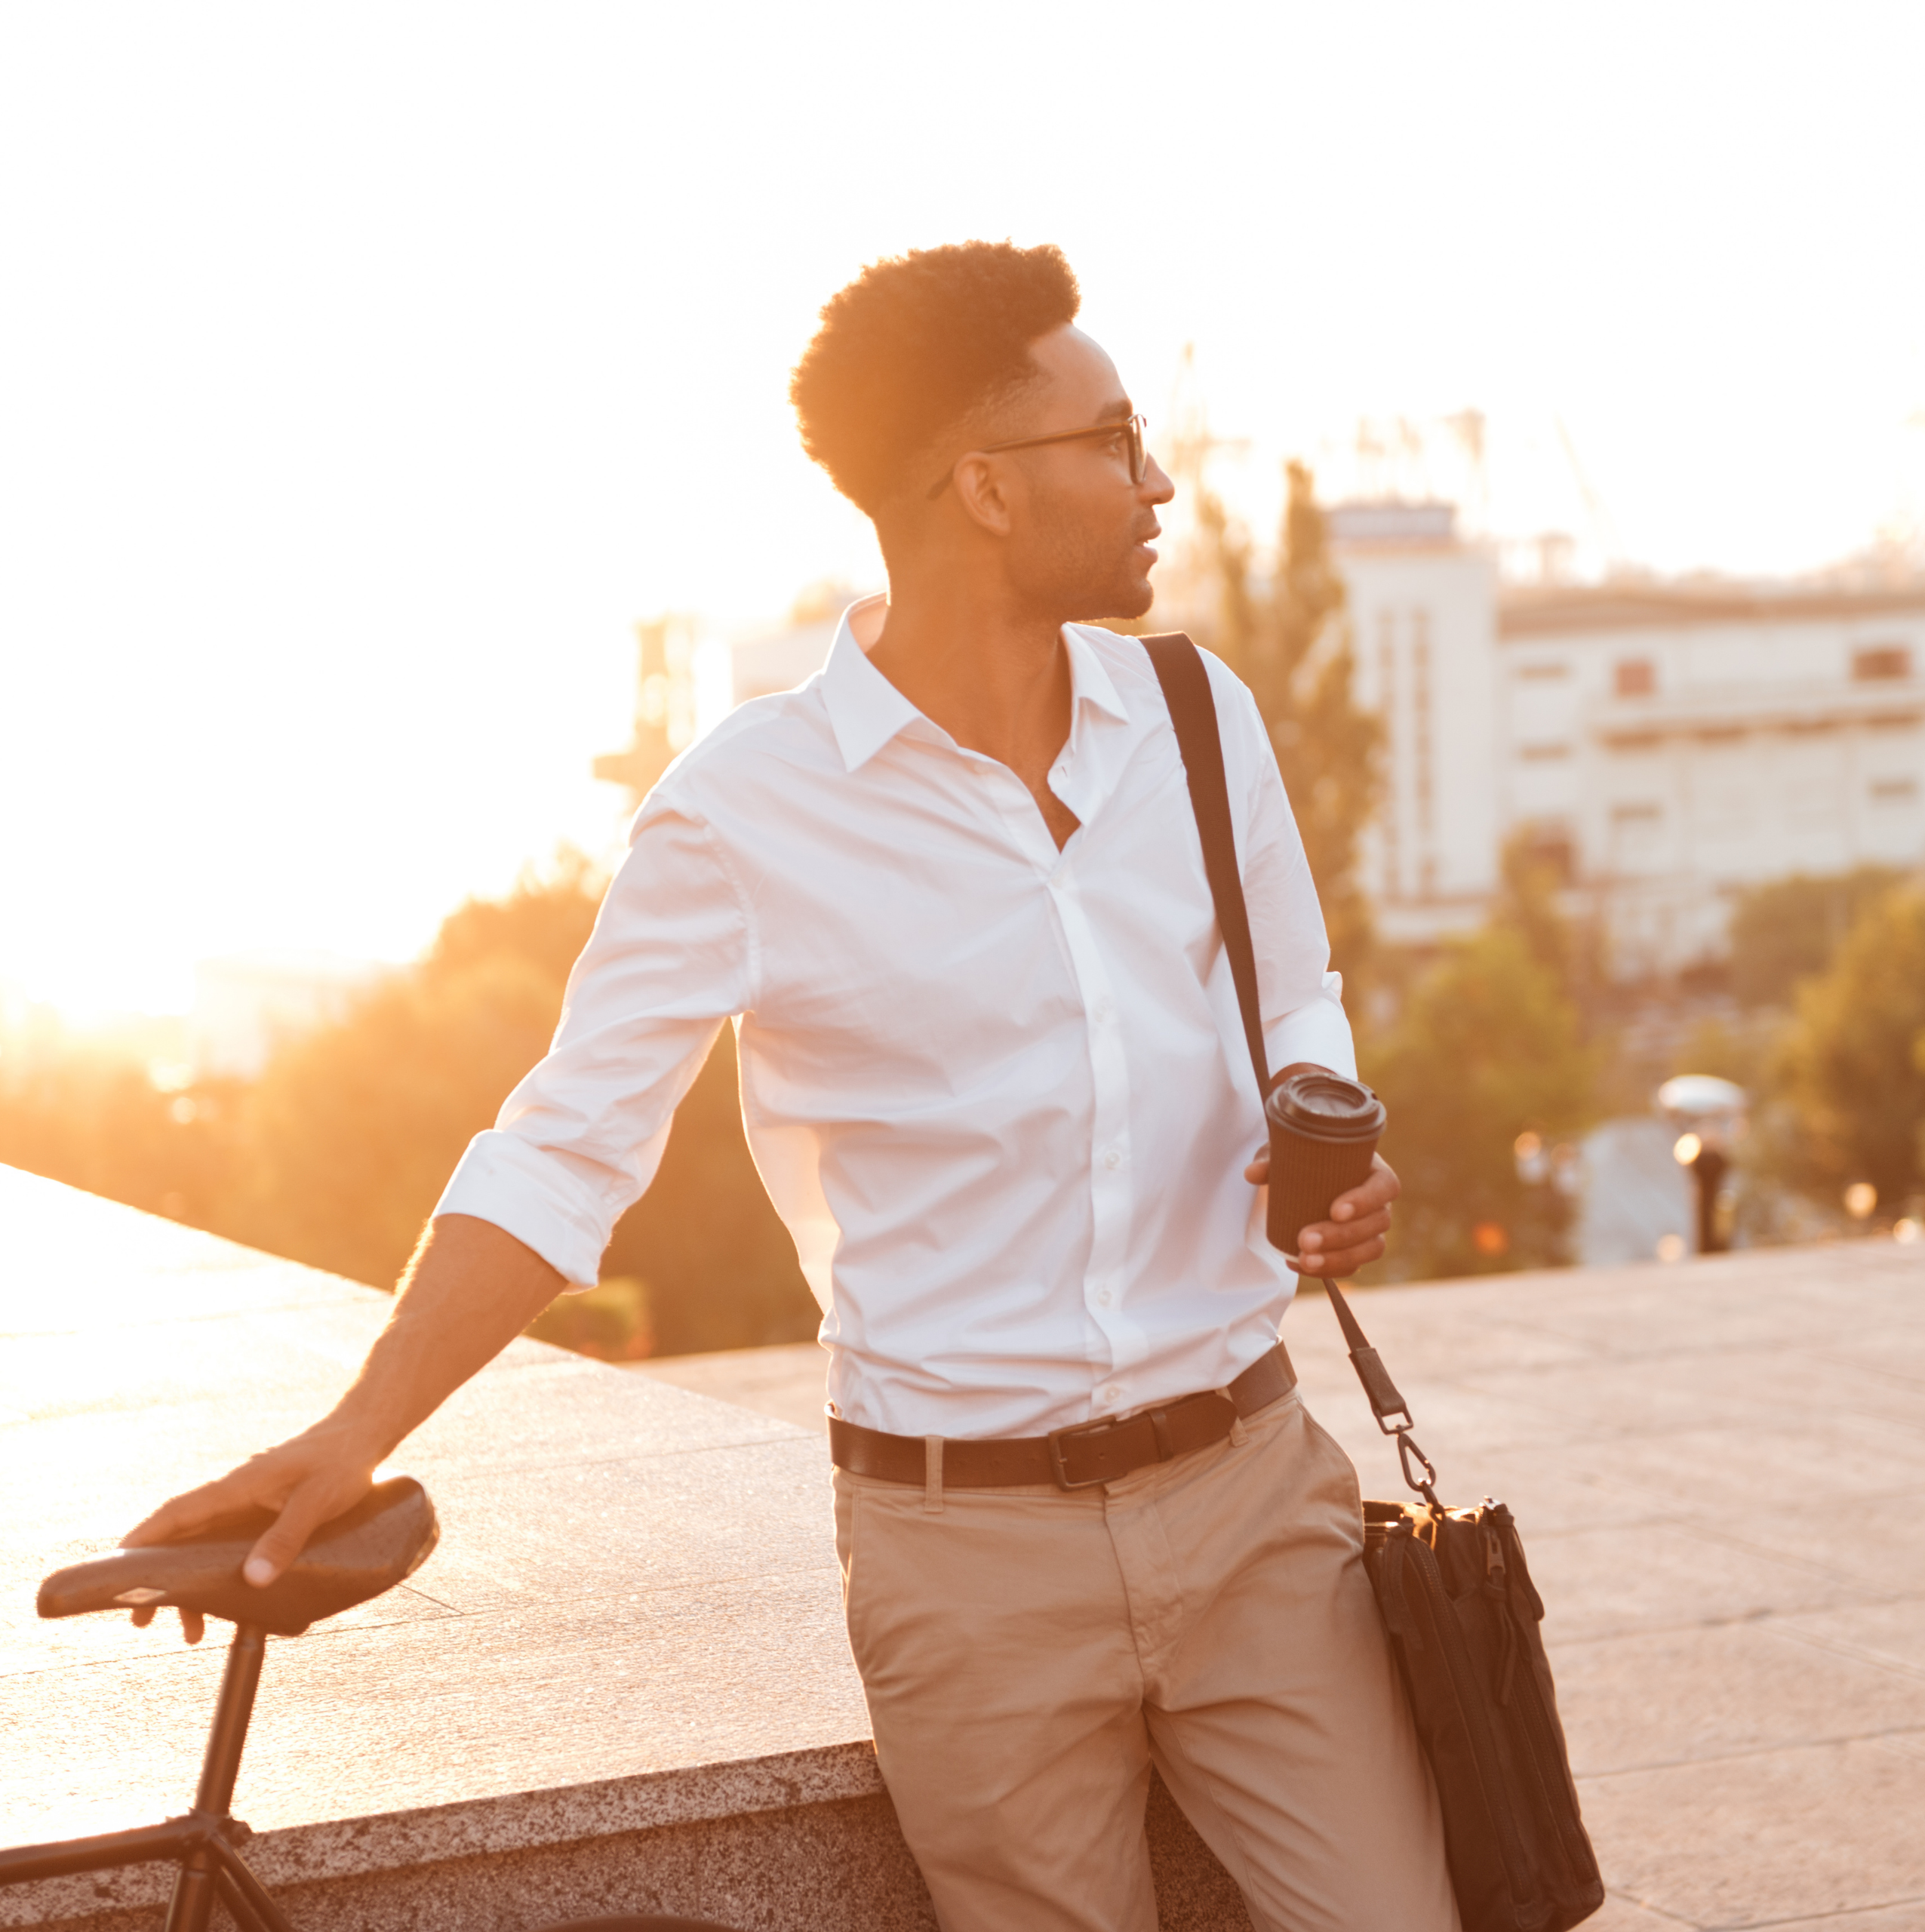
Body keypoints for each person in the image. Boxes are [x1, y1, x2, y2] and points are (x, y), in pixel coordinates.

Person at [126, 241, 1457, 1932]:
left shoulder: (1196, 716)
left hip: (1256, 1494)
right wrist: (352, 1427)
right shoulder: (742, 811)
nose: (1157, 479)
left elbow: (1297, 994)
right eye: (1113, 438)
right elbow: (564, 1145)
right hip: (963, 1553)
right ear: (980, 486)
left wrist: (1316, 1125)